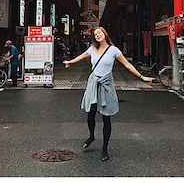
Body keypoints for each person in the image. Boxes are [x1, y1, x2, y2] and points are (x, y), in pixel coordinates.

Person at [64, 26, 154, 161]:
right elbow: (81, 57)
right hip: (93, 83)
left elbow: (127, 65)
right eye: (95, 34)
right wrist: (70, 62)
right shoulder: (92, 49)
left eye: (99, 33)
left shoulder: (114, 50)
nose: (97, 35)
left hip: (106, 84)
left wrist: (142, 77)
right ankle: (91, 136)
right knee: (91, 113)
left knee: (106, 117)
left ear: (105, 34)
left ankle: (105, 148)